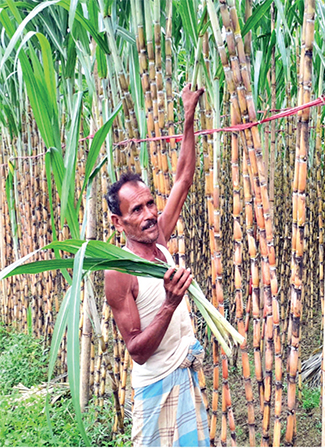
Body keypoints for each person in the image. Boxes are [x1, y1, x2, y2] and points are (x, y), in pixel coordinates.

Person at [104, 84, 209, 447]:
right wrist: (169, 304)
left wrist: (189, 118)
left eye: (151, 203)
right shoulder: (120, 271)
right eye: (137, 210)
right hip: (156, 387)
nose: (150, 215)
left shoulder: (160, 238)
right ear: (119, 222)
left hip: (184, 374)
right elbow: (137, 350)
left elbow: (182, 177)